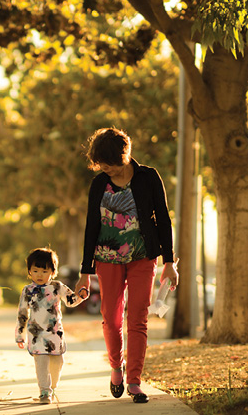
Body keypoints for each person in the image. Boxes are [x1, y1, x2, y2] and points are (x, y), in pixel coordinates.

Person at [74, 127, 179, 404]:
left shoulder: (149, 177)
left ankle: (134, 380)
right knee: (111, 317)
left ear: (124, 155)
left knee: (138, 318)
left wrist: (169, 262)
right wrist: (85, 272)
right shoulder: (99, 184)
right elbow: (91, 226)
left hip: (143, 257)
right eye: (101, 166)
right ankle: (115, 366)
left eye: (108, 164)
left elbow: (163, 220)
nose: (104, 169)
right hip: (106, 258)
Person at [16, 247, 87, 405]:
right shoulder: (27, 291)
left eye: (44, 271)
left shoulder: (57, 287)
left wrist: (81, 297)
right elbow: (22, 313)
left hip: (55, 333)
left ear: (52, 272)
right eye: (35, 271)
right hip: (36, 335)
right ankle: (44, 391)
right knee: (41, 363)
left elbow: (70, 301)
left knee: (57, 362)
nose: (39, 275)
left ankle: (52, 386)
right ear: (29, 272)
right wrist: (19, 334)